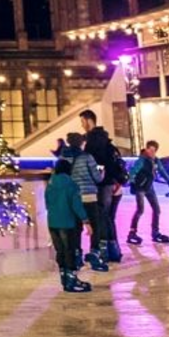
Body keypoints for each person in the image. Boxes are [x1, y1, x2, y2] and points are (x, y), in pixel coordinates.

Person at [80, 110, 127, 264]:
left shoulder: (93, 141)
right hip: (110, 183)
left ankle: (103, 252)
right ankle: (113, 251)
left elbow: (93, 164)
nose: (82, 125)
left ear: (88, 121)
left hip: (101, 184)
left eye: (82, 122)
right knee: (107, 217)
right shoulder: (105, 140)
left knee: (100, 217)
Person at [46, 158, 92, 293]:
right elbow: (76, 205)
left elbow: (47, 203)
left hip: (52, 222)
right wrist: (86, 221)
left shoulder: (50, 184)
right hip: (67, 222)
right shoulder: (71, 185)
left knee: (60, 251)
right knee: (69, 250)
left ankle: (64, 278)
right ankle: (72, 280)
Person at [66, 132, 106, 272]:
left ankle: (77, 255)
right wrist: (102, 172)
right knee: (95, 225)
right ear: (81, 143)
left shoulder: (65, 158)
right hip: (89, 196)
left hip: (74, 197)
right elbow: (97, 178)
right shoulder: (87, 157)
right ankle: (94, 253)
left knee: (76, 227)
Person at [126, 140, 169, 246]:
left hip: (149, 187)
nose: (150, 152)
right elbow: (133, 171)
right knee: (140, 210)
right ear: (146, 149)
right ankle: (132, 233)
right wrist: (132, 183)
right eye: (149, 149)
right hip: (140, 187)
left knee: (157, 209)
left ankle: (155, 232)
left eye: (153, 150)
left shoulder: (155, 160)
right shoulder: (142, 160)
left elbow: (161, 170)